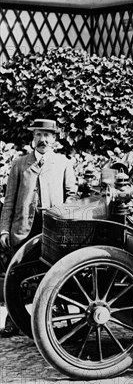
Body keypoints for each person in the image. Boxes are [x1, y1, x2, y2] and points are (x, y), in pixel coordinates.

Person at [0, 118, 77, 337]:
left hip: (52, 227)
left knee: (51, 273)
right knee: (16, 273)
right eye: (37, 135)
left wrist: (65, 219)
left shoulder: (63, 163)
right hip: (24, 227)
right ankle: (13, 319)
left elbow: (71, 196)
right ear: (33, 138)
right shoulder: (20, 164)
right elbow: (9, 201)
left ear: (54, 139)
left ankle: (50, 317)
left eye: (46, 135)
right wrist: (4, 230)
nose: (42, 139)